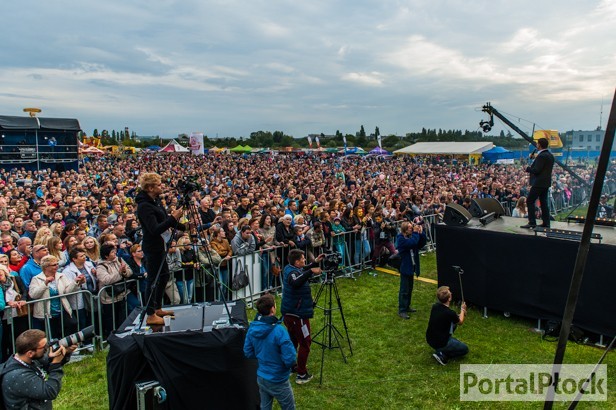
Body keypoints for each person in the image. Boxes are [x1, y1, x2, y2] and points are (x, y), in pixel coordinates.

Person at [135, 173, 185, 326]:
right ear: (150, 188)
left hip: (161, 245)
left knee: (163, 277)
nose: (161, 187)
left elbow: (164, 221)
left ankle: (157, 308)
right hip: (153, 247)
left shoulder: (155, 201)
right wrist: (174, 218)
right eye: (158, 185)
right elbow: (154, 229)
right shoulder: (144, 206)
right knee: (153, 280)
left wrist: (183, 226)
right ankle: (150, 314)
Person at [0, 329, 77, 410]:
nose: (47, 348)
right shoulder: (19, 376)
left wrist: (66, 351)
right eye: (44, 347)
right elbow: (50, 391)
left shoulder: (25, 359)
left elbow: (46, 361)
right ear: (30, 353)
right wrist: (56, 364)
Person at [243, 294, 297, 410]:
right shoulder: (279, 331)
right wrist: (284, 367)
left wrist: (262, 356)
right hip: (278, 379)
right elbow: (290, 358)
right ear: (272, 309)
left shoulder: (252, 328)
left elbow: (248, 352)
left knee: (265, 406)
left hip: (262, 377)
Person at [281, 249, 324, 385]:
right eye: (303, 258)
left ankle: (291, 366)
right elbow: (296, 281)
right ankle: (301, 374)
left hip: (291, 312)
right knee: (305, 342)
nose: (305, 260)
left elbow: (302, 270)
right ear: (297, 261)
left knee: (293, 341)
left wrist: (315, 262)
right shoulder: (291, 272)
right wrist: (311, 271)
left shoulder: (290, 268)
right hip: (297, 315)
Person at [425, 286, 468, 366]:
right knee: (465, 349)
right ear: (449, 299)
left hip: (430, 339)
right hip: (440, 342)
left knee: (453, 324)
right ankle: (441, 354)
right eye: (450, 293)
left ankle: (441, 349)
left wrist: (459, 315)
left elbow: (453, 318)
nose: (451, 293)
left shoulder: (435, 306)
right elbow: (460, 321)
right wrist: (462, 310)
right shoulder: (450, 313)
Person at [395, 221, 427, 319]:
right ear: (405, 229)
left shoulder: (411, 236)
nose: (411, 229)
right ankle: (402, 310)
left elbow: (421, 243)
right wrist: (416, 233)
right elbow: (412, 243)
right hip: (405, 266)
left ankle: (407, 306)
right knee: (404, 290)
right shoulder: (401, 238)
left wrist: (421, 233)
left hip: (412, 266)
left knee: (410, 289)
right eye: (409, 228)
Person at [521, 137, 554, 229]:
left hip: (539, 183)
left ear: (539, 144)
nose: (536, 145)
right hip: (546, 183)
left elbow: (537, 170)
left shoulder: (541, 156)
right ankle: (546, 223)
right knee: (544, 202)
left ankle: (532, 222)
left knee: (530, 200)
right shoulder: (549, 155)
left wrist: (528, 169)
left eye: (537, 143)